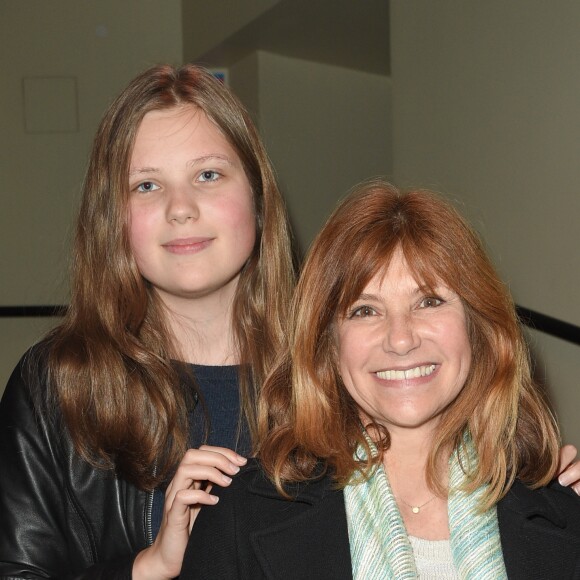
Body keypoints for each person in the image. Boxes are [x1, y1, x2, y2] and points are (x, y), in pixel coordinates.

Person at [181, 180, 580, 579]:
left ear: (478, 329)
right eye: (365, 311)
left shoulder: (563, 517)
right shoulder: (240, 519)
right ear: (327, 345)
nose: (401, 339)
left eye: (429, 301)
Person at [0, 64, 295, 579]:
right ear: (112, 218)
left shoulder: (339, 371)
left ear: (258, 198)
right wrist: (149, 566)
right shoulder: (55, 388)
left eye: (208, 175)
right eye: (147, 185)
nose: (180, 208)